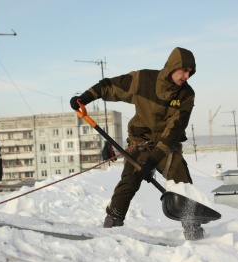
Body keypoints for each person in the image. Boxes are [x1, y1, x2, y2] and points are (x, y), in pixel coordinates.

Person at [70, 47, 204, 240]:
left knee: (182, 184)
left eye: (191, 72)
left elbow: (173, 131)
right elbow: (111, 86)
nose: (187, 76)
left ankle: (194, 233)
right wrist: (85, 97)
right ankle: (111, 226)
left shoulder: (186, 95)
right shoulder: (144, 81)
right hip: (140, 143)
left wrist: (153, 160)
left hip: (166, 147)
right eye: (184, 70)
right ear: (173, 66)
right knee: (129, 182)